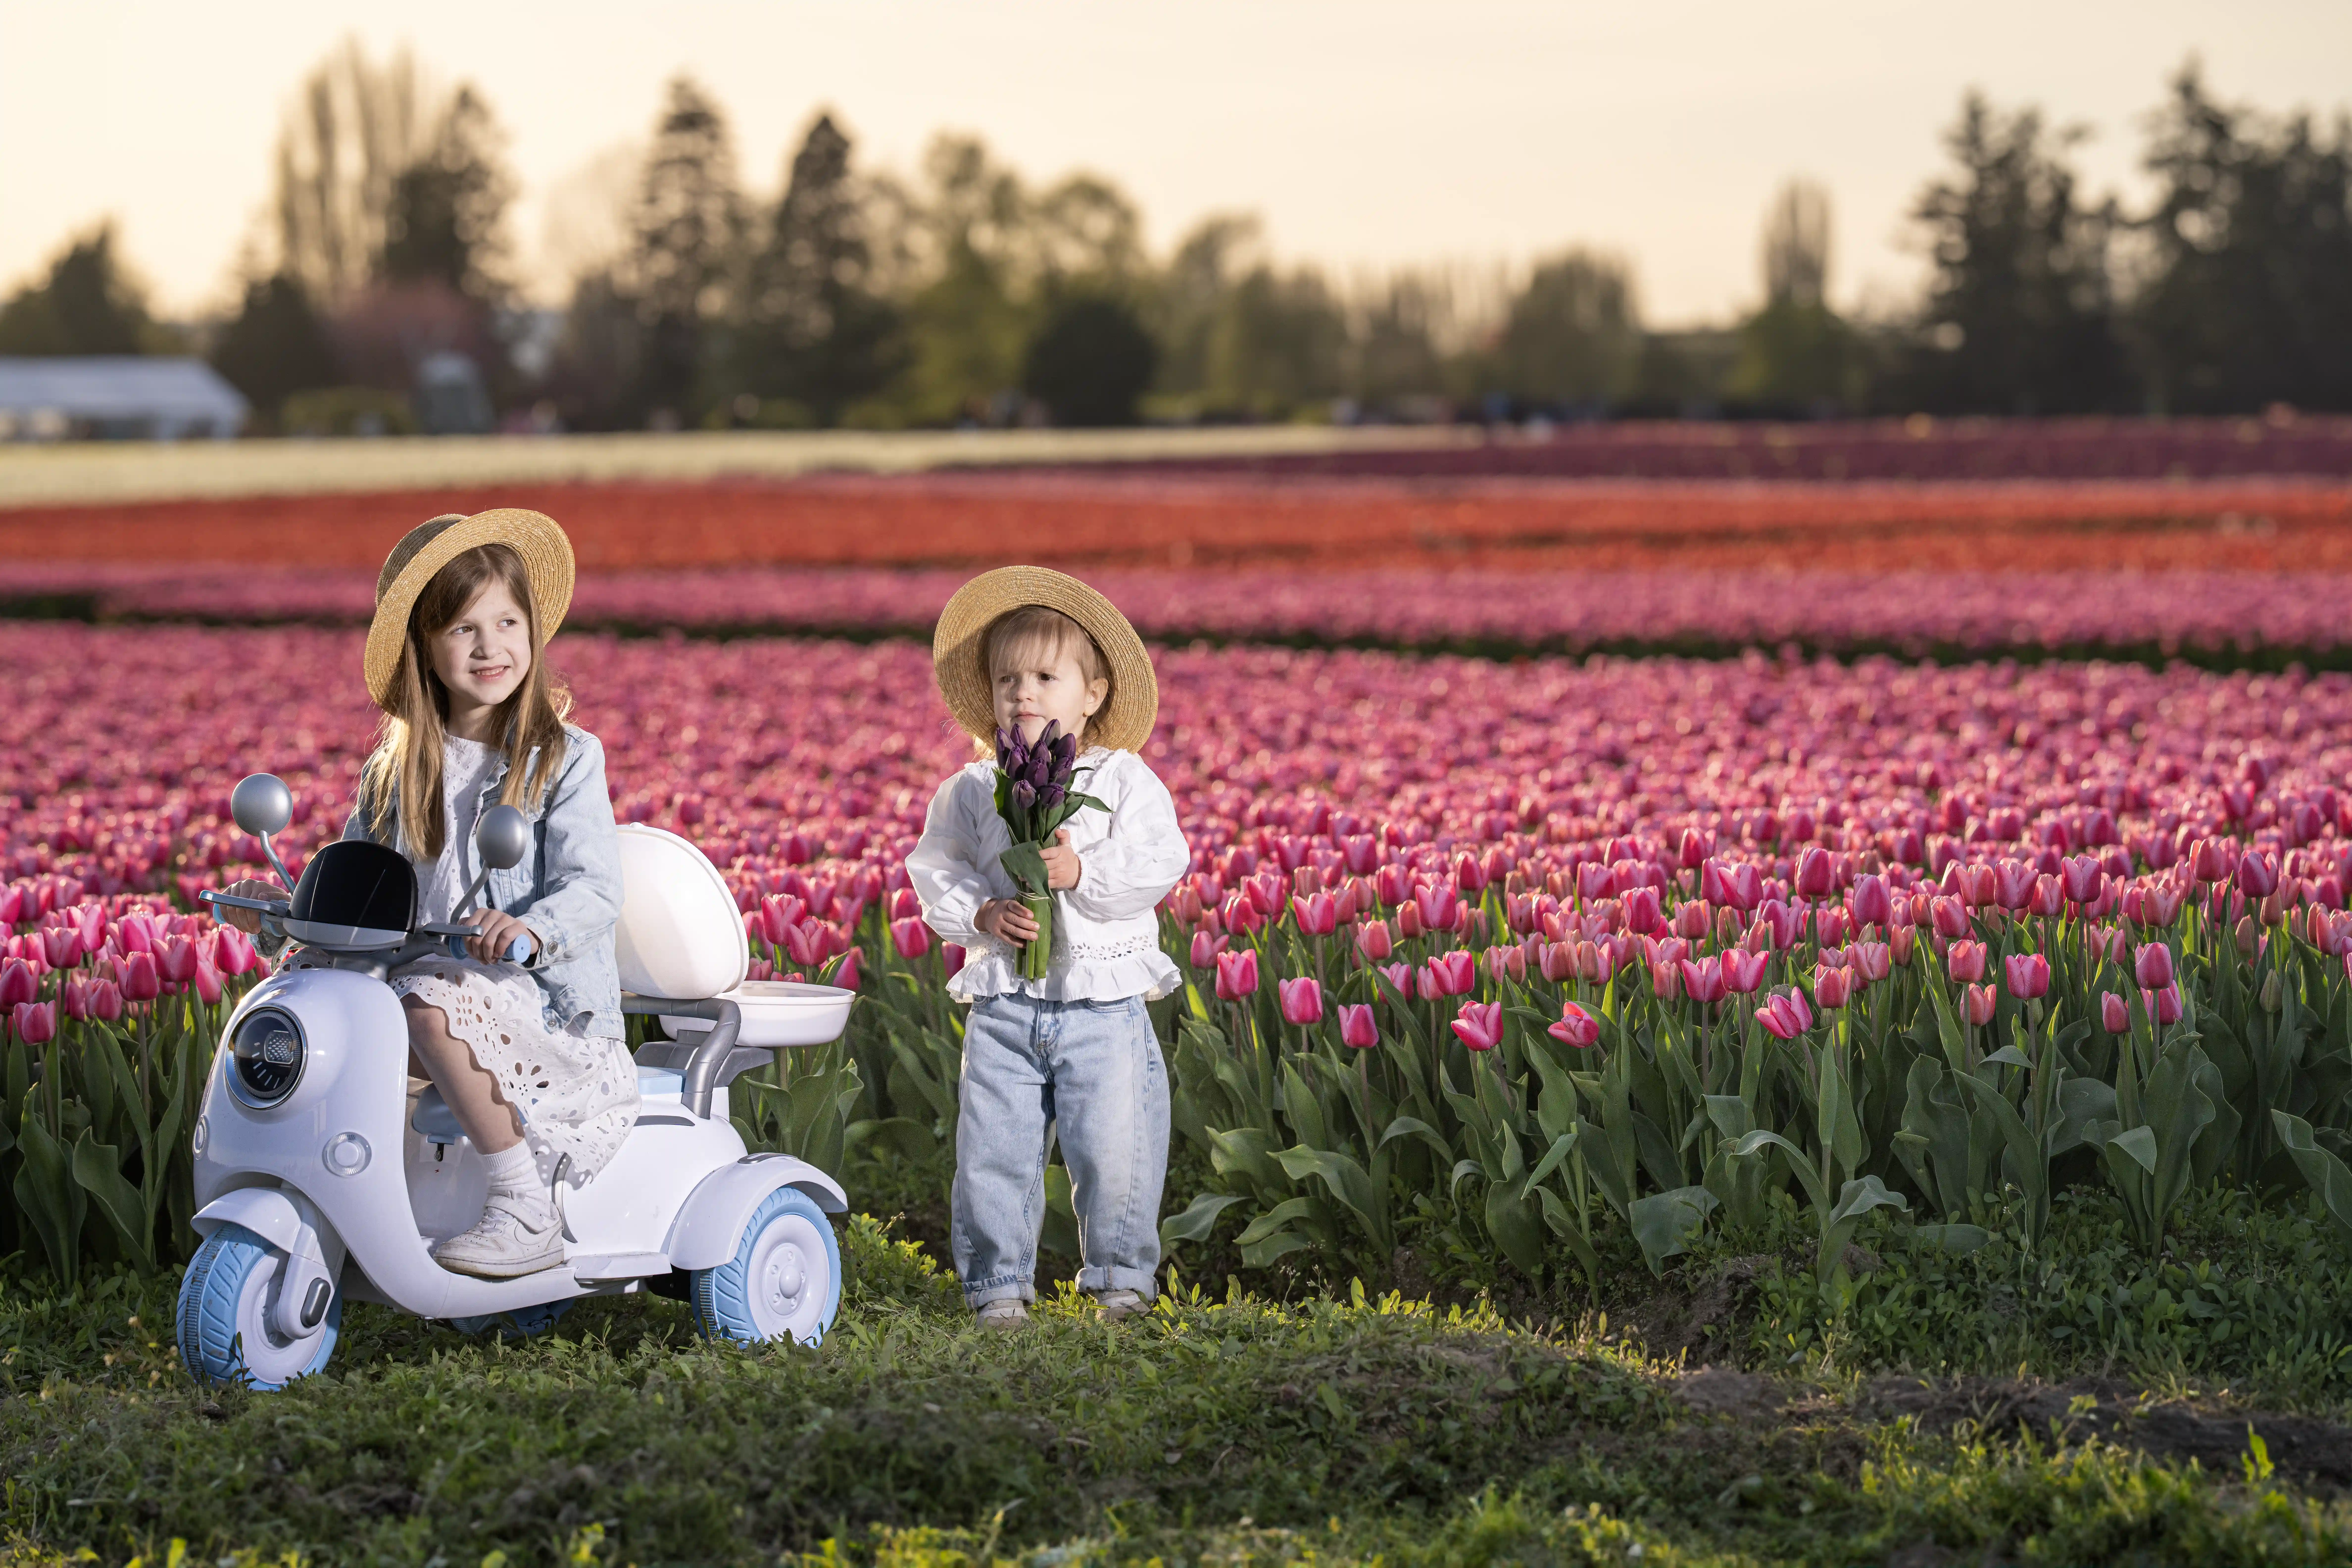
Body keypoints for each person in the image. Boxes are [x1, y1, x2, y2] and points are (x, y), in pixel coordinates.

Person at [221, 510, 635, 1278]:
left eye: (508, 622)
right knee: (304, 994)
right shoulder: (397, 767)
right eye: (462, 628)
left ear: (535, 634)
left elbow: (593, 887)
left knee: (423, 998)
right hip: (415, 988)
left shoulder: (563, 757)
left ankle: (524, 1205)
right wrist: (280, 913)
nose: (491, 647)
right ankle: (322, 1186)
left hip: (534, 1002)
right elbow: (353, 885)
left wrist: (526, 929)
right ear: (424, 646)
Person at [909, 566, 1191, 1328]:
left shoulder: (1124, 780)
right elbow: (937, 870)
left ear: (1092, 693)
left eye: (1043, 676)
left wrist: (1080, 870)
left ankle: (1120, 1280)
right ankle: (998, 1287)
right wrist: (984, 914)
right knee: (994, 1150)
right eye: (1007, 680)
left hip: (1102, 1005)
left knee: (1116, 1149)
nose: (1023, 693)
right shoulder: (973, 789)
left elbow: (1162, 861)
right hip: (1005, 1002)